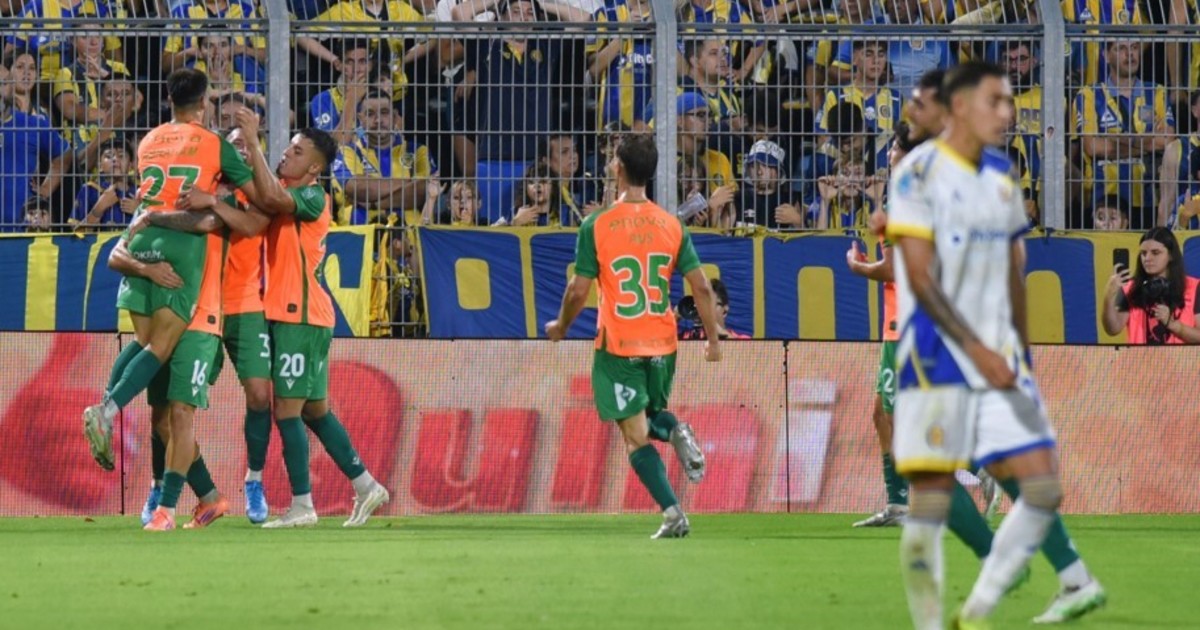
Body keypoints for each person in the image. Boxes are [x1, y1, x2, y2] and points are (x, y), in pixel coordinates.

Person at [882, 67, 1107, 626]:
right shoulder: (942, 174)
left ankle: (1000, 566)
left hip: (951, 348)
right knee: (1002, 469)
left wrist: (1015, 352)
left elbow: (998, 268)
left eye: (919, 101)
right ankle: (1069, 575)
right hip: (960, 346)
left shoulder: (944, 175)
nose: (911, 108)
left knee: (941, 479)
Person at [185, 111, 391, 528]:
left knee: (287, 411)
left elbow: (273, 202)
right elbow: (263, 199)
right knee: (315, 411)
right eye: (288, 148)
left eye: (297, 152)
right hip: (294, 316)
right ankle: (367, 485)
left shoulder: (312, 196)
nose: (286, 154)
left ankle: (302, 505)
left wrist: (252, 144)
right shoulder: (284, 190)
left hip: (301, 316)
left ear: (314, 168)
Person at [82, 69, 280, 472]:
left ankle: (105, 404)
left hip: (140, 234)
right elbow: (262, 196)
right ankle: (106, 411)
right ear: (204, 103)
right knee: (161, 346)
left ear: (170, 100)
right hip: (181, 243)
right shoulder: (214, 144)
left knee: (143, 341)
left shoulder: (149, 140)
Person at [544, 133, 722, 539]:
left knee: (634, 435)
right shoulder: (671, 225)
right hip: (663, 344)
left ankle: (673, 511)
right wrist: (712, 341)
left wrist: (561, 326)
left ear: (618, 168)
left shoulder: (597, 225)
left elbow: (578, 291)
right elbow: (701, 286)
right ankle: (674, 436)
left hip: (620, 345)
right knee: (647, 419)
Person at [134, 128, 275, 525]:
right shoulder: (191, 189)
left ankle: (253, 481)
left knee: (259, 395)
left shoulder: (260, 195)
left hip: (242, 305)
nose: (239, 150)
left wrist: (208, 203)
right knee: (163, 410)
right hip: (194, 304)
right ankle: (170, 488)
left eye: (246, 144)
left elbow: (250, 225)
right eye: (232, 143)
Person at [111, 214, 231, 531]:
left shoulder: (214, 207)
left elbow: (211, 221)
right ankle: (210, 497)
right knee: (162, 421)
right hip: (166, 316)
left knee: (181, 413)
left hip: (201, 322)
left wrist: (153, 217)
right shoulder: (160, 205)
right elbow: (116, 255)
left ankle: (166, 508)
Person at [845, 121, 920, 529]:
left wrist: (858, 267)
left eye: (895, 147)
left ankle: (983, 469)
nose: (889, 153)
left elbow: (893, 269)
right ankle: (897, 504)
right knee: (883, 413)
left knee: (897, 416)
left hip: (904, 321)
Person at [1103, 227, 1200, 344]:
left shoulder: (1194, 287)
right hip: (1139, 356)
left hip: (1180, 356)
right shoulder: (1129, 288)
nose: (1147, 258)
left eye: (1155, 253)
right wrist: (1108, 297)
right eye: (1143, 253)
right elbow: (1113, 329)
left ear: (1171, 255)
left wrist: (1173, 325)